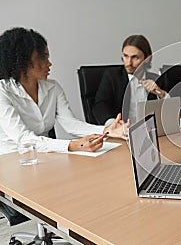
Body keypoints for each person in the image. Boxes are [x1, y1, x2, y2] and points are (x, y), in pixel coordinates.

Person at [0, 27, 127, 155]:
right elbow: (23, 139)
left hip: (44, 157)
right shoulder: (3, 91)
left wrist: (107, 130)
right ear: (23, 61)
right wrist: (73, 145)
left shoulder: (53, 87)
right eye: (43, 58)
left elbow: (71, 124)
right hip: (11, 159)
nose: (49, 64)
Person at [92, 35, 167, 125]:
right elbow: (100, 105)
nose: (128, 63)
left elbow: (173, 111)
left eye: (135, 57)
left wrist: (160, 93)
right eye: (126, 56)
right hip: (121, 130)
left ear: (147, 58)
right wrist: (113, 124)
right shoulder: (112, 76)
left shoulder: (156, 79)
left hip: (149, 130)